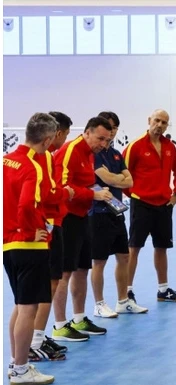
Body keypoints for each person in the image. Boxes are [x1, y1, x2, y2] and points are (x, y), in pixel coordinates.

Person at [4, 112, 58, 383]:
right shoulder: (31, 166)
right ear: (47, 141)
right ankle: (20, 369)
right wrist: (29, 231)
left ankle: (17, 364)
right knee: (29, 309)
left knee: (20, 305)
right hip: (28, 245)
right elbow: (26, 205)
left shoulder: (5, 161)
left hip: (8, 245)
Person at [52, 116, 114, 341]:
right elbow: (61, 186)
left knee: (81, 270)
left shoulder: (90, 154)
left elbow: (81, 183)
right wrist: (93, 194)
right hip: (66, 218)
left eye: (107, 140)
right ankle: (59, 325)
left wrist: (98, 191)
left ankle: (79, 318)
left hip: (82, 217)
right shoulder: (71, 151)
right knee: (64, 273)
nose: (103, 145)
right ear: (87, 132)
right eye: (100, 138)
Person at [123, 109, 176, 303]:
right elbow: (123, 174)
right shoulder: (135, 146)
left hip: (164, 206)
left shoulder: (169, 147)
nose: (160, 125)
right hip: (141, 204)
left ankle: (163, 290)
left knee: (161, 248)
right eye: (157, 120)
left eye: (164, 123)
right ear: (149, 120)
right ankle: (126, 292)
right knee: (134, 248)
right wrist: (134, 195)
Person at [91, 111, 148, 317]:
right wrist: (116, 178)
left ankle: (123, 301)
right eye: (108, 127)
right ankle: (99, 304)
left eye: (114, 127)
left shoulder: (115, 154)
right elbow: (107, 178)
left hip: (117, 212)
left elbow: (128, 181)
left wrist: (114, 178)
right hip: (97, 213)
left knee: (123, 256)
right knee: (99, 261)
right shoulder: (94, 153)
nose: (111, 131)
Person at [29, 111, 74, 360]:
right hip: (47, 224)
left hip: (48, 223)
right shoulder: (44, 157)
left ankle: (36, 337)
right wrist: (66, 194)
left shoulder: (41, 156)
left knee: (46, 285)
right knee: (47, 285)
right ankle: (34, 341)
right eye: (65, 134)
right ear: (56, 133)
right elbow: (47, 193)